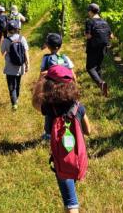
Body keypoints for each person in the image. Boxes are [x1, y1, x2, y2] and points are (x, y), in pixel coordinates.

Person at [32, 66, 91, 213]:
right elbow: (88, 131)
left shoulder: (49, 108)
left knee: (71, 202)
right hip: (78, 156)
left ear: (49, 86)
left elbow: (35, 103)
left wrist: (40, 80)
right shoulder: (78, 107)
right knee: (70, 188)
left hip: (61, 157)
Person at [39, 32, 76, 139]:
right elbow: (73, 74)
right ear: (60, 45)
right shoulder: (65, 58)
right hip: (66, 89)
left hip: (51, 89)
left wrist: (39, 86)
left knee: (49, 112)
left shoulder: (46, 58)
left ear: (48, 46)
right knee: (65, 108)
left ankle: (48, 133)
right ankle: (66, 129)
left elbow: (42, 74)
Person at [1, 19, 30, 110]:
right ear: (17, 29)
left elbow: (2, 52)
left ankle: (14, 103)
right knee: (18, 83)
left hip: (10, 67)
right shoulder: (22, 39)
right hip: (20, 66)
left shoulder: (6, 40)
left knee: (11, 85)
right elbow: (26, 52)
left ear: (8, 30)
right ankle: (16, 99)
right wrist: (27, 64)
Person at [85, 3, 112, 97]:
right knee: (98, 67)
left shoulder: (89, 21)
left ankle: (101, 83)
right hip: (104, 48)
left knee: (90, 68)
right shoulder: (105, 22)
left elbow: (88, 36)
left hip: (93, 47)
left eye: (88, 11)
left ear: (90, 11)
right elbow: (111, 36)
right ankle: (103, 89)